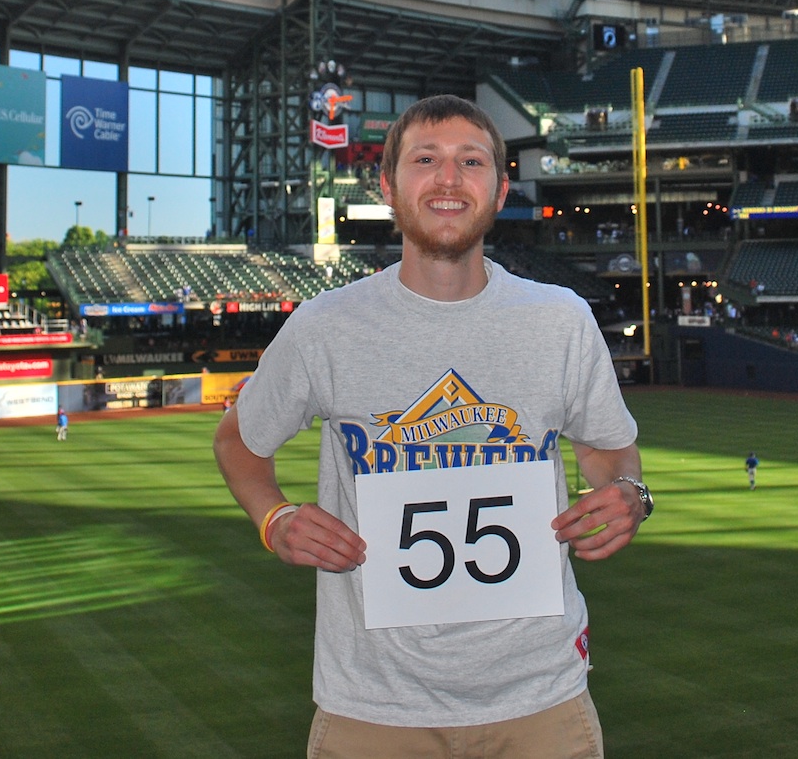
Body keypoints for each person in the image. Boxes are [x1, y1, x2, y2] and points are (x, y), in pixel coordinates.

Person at [214, 95, 645, 758]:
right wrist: (274, 519)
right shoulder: (326, 326)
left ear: (500, 189)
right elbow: (237, 441)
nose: (448, 178)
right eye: (425, 160)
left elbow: (609, 449)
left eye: (471, 161)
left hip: (540, 698)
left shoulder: (560, 319)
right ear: (387, 185)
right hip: (373, 706)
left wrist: (629, 494)